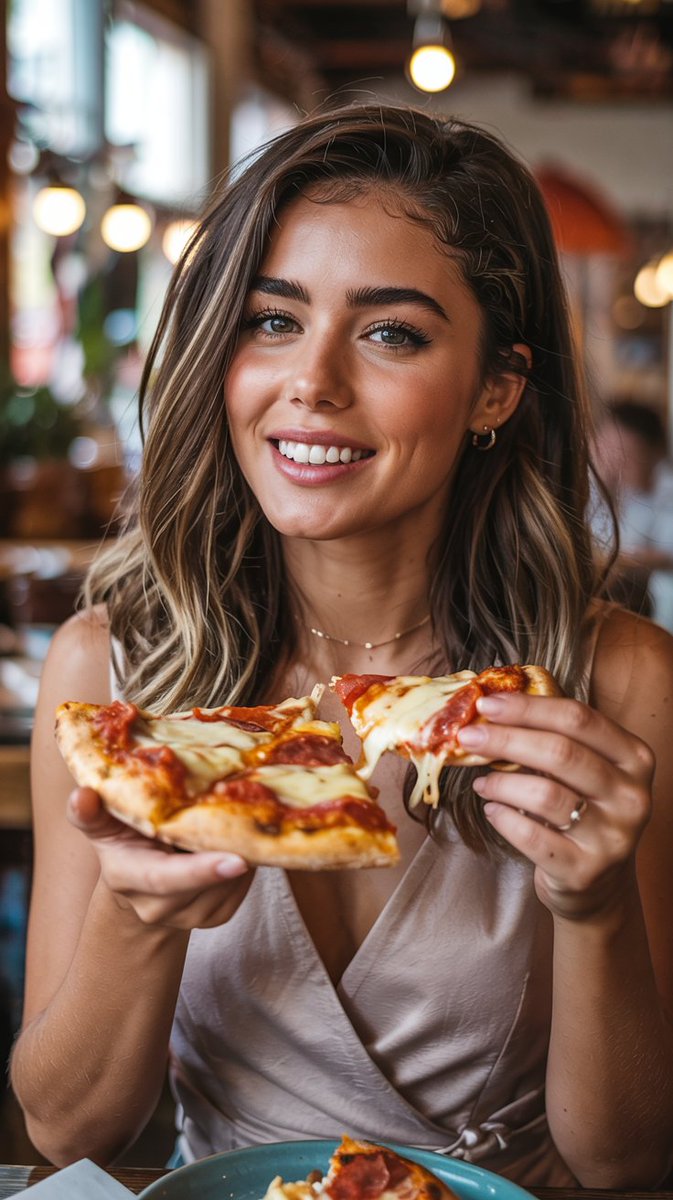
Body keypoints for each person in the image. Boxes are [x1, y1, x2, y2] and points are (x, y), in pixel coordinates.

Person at [10, 104, 673, 1188]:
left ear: (497, 387)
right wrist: (138, 918)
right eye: (272, 321)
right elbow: (64, 1132)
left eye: (389, 332)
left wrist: (593, 911)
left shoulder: (616, 684)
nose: (310, 381)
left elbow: (626, 1161)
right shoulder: (111, 675)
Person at [592, 400, 673, 630]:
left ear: (652, 451)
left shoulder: (665, 490)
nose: (613, 459)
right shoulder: (597, 488)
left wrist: (628, 560)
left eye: (624, 452)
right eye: (604, 447)